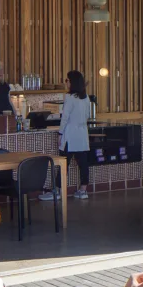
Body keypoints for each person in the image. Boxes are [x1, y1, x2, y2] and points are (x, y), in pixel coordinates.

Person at [42, 69, 94, 201]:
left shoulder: (69, 97)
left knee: (63, 163)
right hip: (82, 135)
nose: (66, 82)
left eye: (67, 80)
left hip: (69, 135)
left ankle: (58, 190)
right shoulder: (86, 97)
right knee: (83, 163)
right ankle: (83, 190)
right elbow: (87, 115)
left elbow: (64, 118)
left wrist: (60, 133)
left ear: (72, 82)